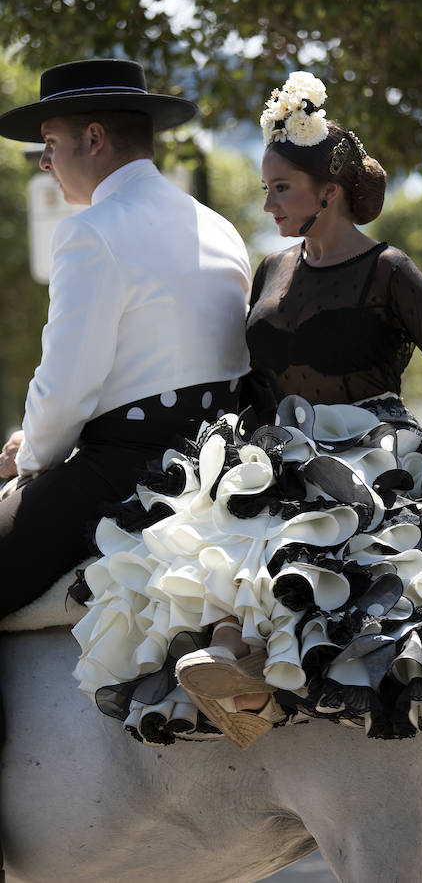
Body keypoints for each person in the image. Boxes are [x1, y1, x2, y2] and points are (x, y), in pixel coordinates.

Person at [72, 72, 422, 750]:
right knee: (209, 531)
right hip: (280, 445)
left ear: (330, 191)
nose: (266, 203)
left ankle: (262, 671)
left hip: (367, 448)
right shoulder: (271, 268)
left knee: (314, 551)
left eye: (281, 188)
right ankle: (233, 668)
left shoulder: (388, 269)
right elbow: (256, 375)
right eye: (264, 188)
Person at [0, 58, 251, 619]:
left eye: (49, 142)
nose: (43, 161)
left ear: (93, 139)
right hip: (218, 468)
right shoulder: (221, 227)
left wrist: (30, 458)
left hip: (122, 476)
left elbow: (66, 389)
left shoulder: (89, 233)